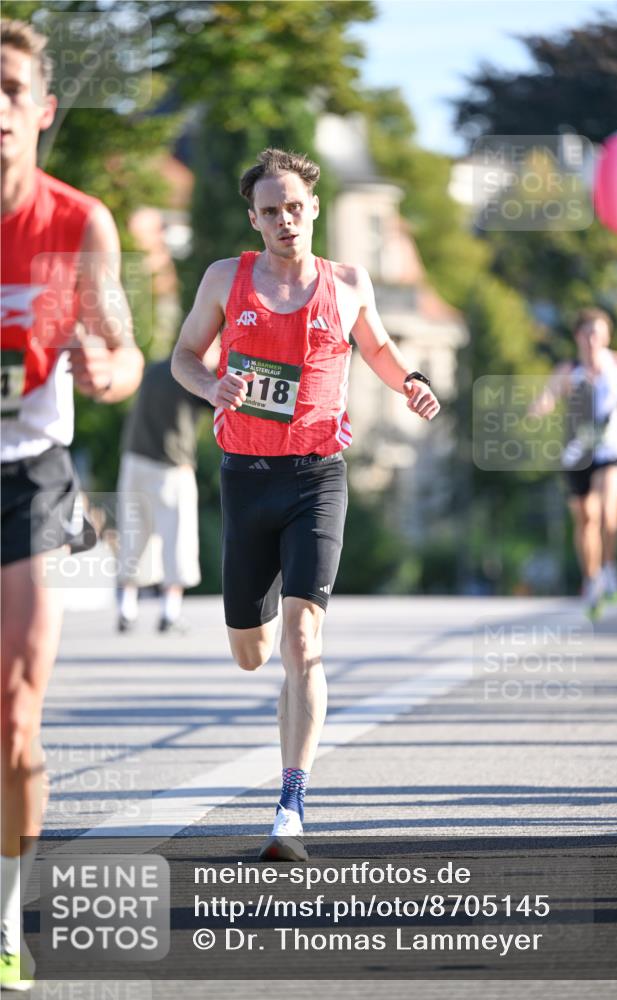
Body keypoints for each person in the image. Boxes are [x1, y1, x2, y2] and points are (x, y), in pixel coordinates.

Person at [171, 147, 440, 861]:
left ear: (313, 208)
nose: (285, 220)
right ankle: (259, 664)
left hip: (318, 477)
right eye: (270, 211)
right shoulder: (226, 279)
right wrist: (210, 386)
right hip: (245, 476)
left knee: (302, 645)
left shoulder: (347, 283)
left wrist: (408, 381)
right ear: (253, 219)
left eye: (295, 207)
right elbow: (184, 357)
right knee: (252, 653)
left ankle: (290, 805)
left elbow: (379, 348)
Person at [1, 19, 143, 991]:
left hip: (25, 474)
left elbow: (127, 352)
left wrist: (108, 367)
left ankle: (6, 914)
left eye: (9, 89)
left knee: (14, 719)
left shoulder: (78, 221)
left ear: (42, 111)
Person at [532, 307, 617, 618]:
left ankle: (609, 569)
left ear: (606, 337)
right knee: (585, 519)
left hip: (613, 447)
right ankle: (591, 579)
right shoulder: (569, 370)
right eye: (588, 333)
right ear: (578, 336)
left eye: (599, 334)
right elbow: (550, 395)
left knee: (608, 513)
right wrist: (539, 407)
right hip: (579, 452)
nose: (593, 339)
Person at [115, 343, 216, 634]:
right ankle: (169, 613)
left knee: (133, 535)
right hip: (172, 466)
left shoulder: (155, 369)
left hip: (134, 459)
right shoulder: (193, 375)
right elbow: (216, 404)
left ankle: (127, 608)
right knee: (178, 541)